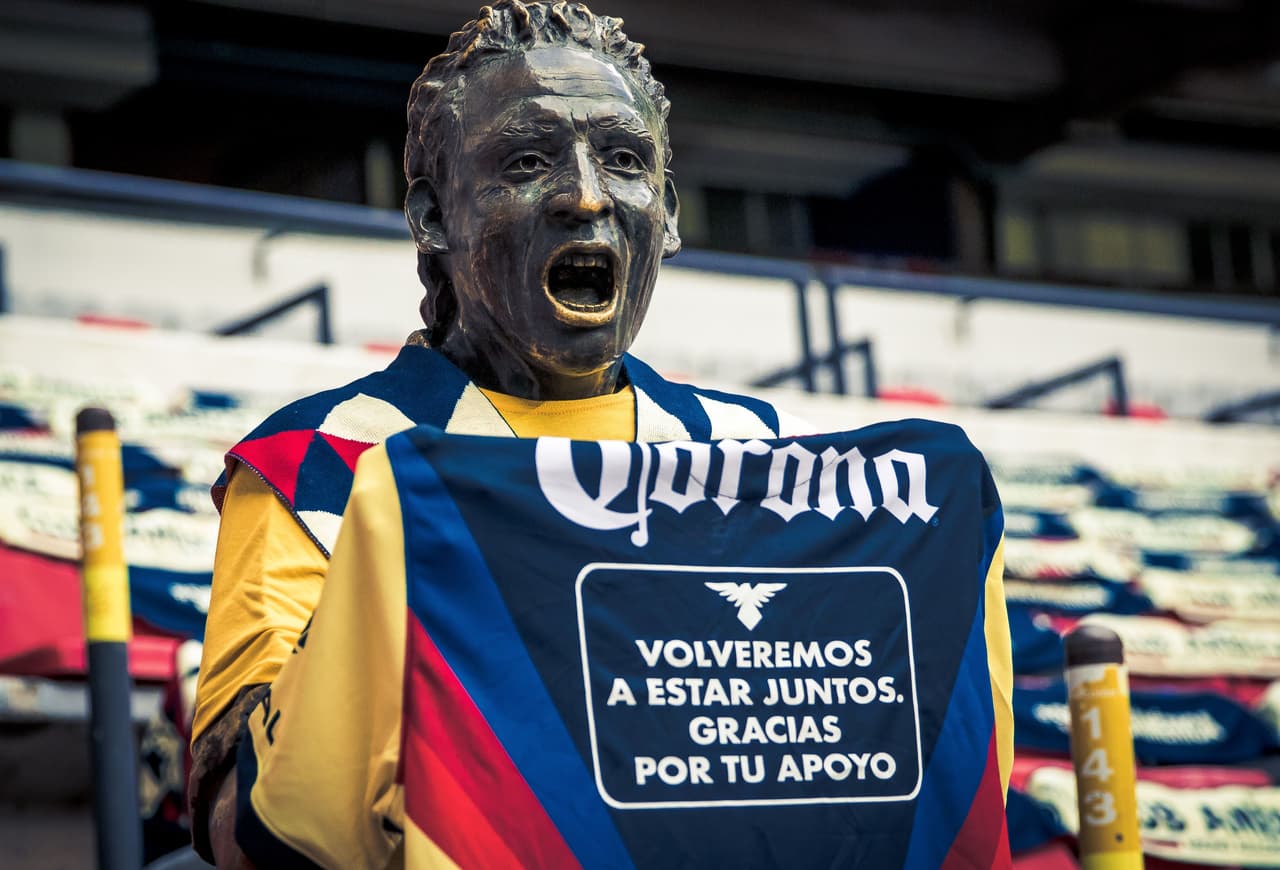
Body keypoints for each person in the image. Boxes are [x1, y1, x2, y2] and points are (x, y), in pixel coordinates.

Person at [189, 1, 1013, 865]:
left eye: (624, 160)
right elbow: (237, 829)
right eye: (527, 160)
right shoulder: (319, 463)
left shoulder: (773, 462)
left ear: (669, 210)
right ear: (434, 217)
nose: (585, 195)